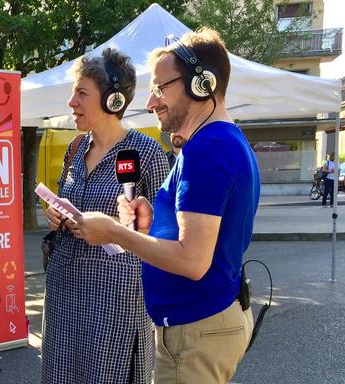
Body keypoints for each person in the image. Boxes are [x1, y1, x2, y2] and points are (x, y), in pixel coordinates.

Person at [69, 29, 257, 383]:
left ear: (202, 84)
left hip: (196, 330)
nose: (152, 102)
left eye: (160, 88)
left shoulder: (207, 149)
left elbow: (192, 260)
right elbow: (206, 235)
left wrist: (115, 233)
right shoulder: (223, 141)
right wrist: (152, 223)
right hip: (203, 325)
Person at [40, 47, 170, 384]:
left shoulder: (147, 153)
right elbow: (63, 199)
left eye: (82, 93)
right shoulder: (75, 148)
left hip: (115, 302)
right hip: (65, 292)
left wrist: (119, 229)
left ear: (113, 101)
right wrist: (56, 215)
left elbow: (164, 235)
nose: (72, 102)